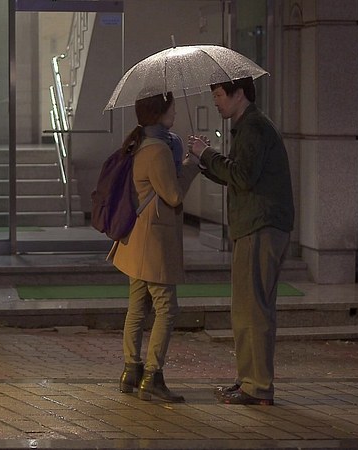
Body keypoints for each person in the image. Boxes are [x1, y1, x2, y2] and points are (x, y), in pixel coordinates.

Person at [187, 77, 294, 406]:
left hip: (260, 226)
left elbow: (242, 177)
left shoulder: (254, 128)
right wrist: (205, 161)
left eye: (219, 94)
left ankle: (257, 386)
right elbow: (237, 173)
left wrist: (207, 154)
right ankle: (249, 380)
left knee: (253, 310)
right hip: (257, 225)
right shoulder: (249, 126)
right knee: (247, 308)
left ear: (239, 94)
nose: (216, 101)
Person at [112, 92, 200, 403]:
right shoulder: (158, 149)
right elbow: (173, 195)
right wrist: (192, 164)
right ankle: (153, 375)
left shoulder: (141, 143)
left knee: (137, 307)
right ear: (160, 112)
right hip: (154, 242)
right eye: (171, 107)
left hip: (136, 240)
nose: (175, 111)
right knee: (166, 308)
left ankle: (130, 370)